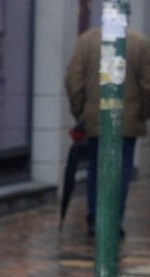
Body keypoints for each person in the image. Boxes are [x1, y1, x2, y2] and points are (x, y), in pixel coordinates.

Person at [64, 9, 150, 238]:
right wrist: (141, 113)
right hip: (126, 119)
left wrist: (80, 112)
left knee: (96, 167)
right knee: (121, 169)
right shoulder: (140, 43)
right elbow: (147, 86)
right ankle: (112, 219)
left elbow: (73, 80)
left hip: (96, 117)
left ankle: (94, 216)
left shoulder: (87, 41)